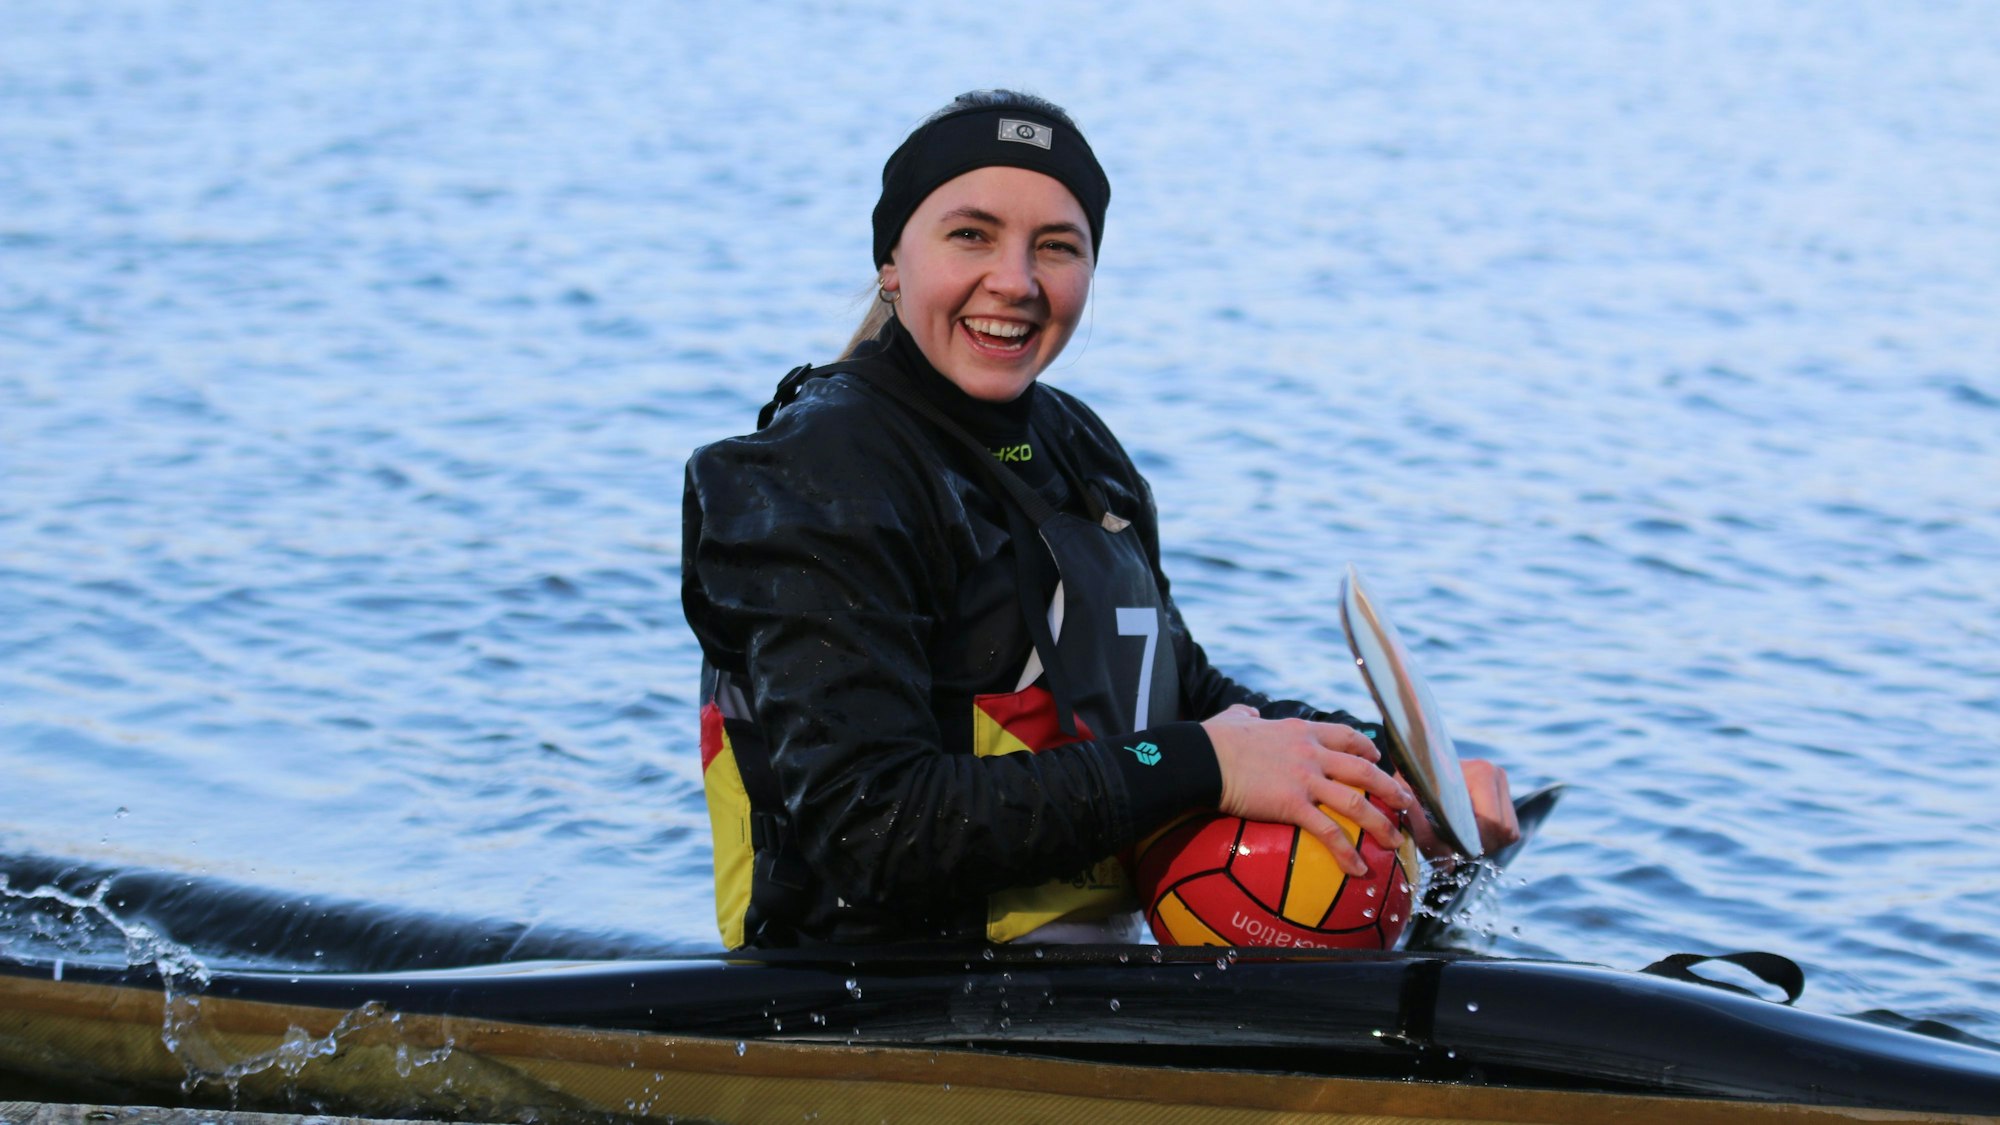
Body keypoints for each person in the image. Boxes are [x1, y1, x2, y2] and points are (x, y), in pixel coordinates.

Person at [683, 90, 1518, 949]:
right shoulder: (818, 471)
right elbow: (874, 830)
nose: (1016, 280)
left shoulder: (1079, 453)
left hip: (1080, 993)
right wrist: (1203, 763)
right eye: (971, 235)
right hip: (864, 1001)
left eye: (1057, 246)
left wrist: (1391, 778)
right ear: (892, 260)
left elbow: (1186, 697)